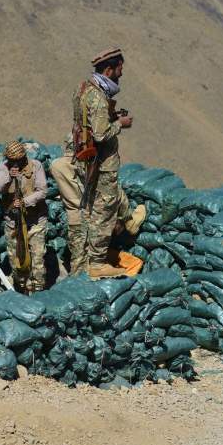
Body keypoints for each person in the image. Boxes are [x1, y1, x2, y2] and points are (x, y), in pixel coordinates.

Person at [71, 47, 134, 278]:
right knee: (104, 212)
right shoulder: (97, 97)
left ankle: (84, 262)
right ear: (109, 69)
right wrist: (121, 124)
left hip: (87, 162)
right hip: (102, 165)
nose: (121, 74)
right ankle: (97, 263)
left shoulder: (83, 90)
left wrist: (111, 117)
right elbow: (100, 134)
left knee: (88, 210)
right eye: (119, 69)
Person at [50, 135, 145, 274]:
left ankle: (77, 287)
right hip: (95, 216)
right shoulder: (83, 166)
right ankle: (129, 220)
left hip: (75, 219)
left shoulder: (56, 165)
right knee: (112, 188)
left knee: (78, 261)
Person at [0, 141, 47, 293]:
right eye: (12, 161)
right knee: (17, 260)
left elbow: (42, 191)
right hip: (13, 223)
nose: (15, 163)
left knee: (37, 260)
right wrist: (9, 178)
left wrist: (24, 202)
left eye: (18, 160)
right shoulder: (3, 168)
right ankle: (21, 289)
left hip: (35, 221)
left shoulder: (35, 165)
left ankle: (38, 291)